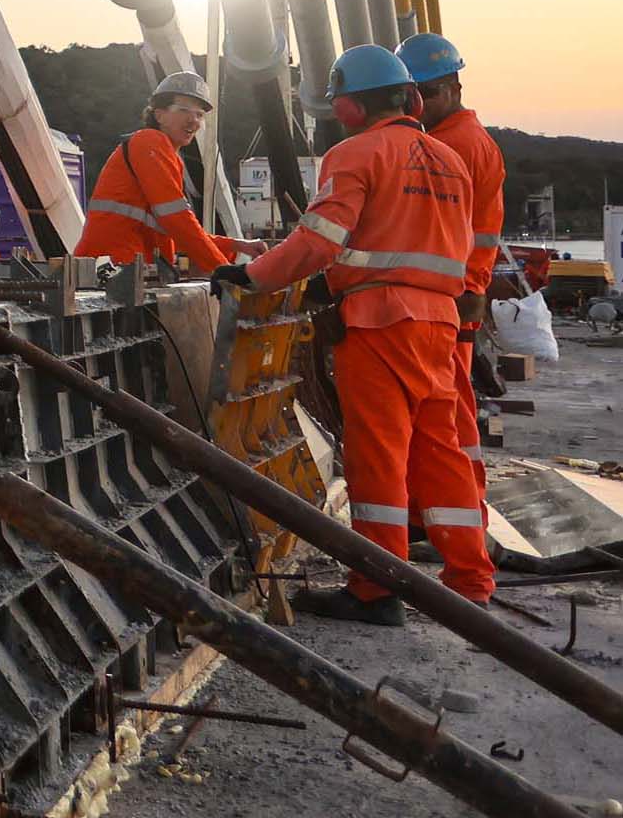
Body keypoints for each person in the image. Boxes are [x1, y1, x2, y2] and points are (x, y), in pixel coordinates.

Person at [218, 46, 489, 621]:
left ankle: (375, 588)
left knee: (378, 454)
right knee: (441, 449)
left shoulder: (355, 153)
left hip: (380, 323)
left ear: (350, 107)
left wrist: (251, 276)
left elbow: (319, 240)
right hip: (439, 322)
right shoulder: (450, 160)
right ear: (409, 97)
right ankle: (470, 580)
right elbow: (433, 245)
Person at [400, 32, 505, 482]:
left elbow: (429, 226)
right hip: (460, 290)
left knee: (448, 412)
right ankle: (451, 499)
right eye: (411, 95)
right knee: (448, 407)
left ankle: (459, 498)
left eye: (426, 93)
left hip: (452, 295)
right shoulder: (463, 139)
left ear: (454, 89)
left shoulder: (453, 146)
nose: (418, 104)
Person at [74, 71, 254, 273]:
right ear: (159, 115)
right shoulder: (150, 142)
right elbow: (177, 220)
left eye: (199, 115)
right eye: (184, 110)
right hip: (113, 270)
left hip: (118, 269)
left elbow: (175, 232)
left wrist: (234, 245)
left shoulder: (164, 154)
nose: (194, 120)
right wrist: (223, 270)